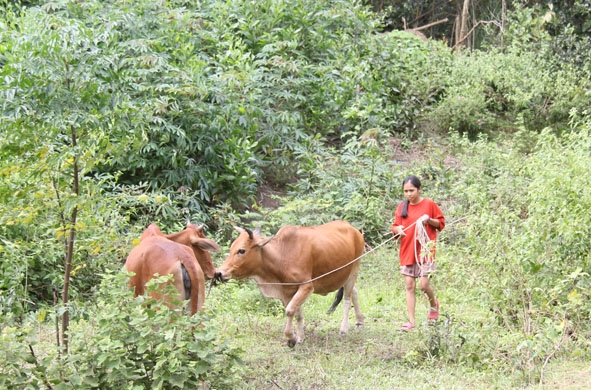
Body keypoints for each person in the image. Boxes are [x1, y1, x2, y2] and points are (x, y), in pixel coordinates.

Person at [391, 175, 445, 331]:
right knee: (409, 285)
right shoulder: (402, 207)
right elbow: (395, 226)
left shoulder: (429, 204)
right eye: (406, 191)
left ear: (419, 189)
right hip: (407, 250)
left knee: (423, 284)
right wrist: (397, 229)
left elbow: (440, 223)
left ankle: (434, 305)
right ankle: (411, 321)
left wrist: (428, 219)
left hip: (425, 250)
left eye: (412, 190)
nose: (409, 194)